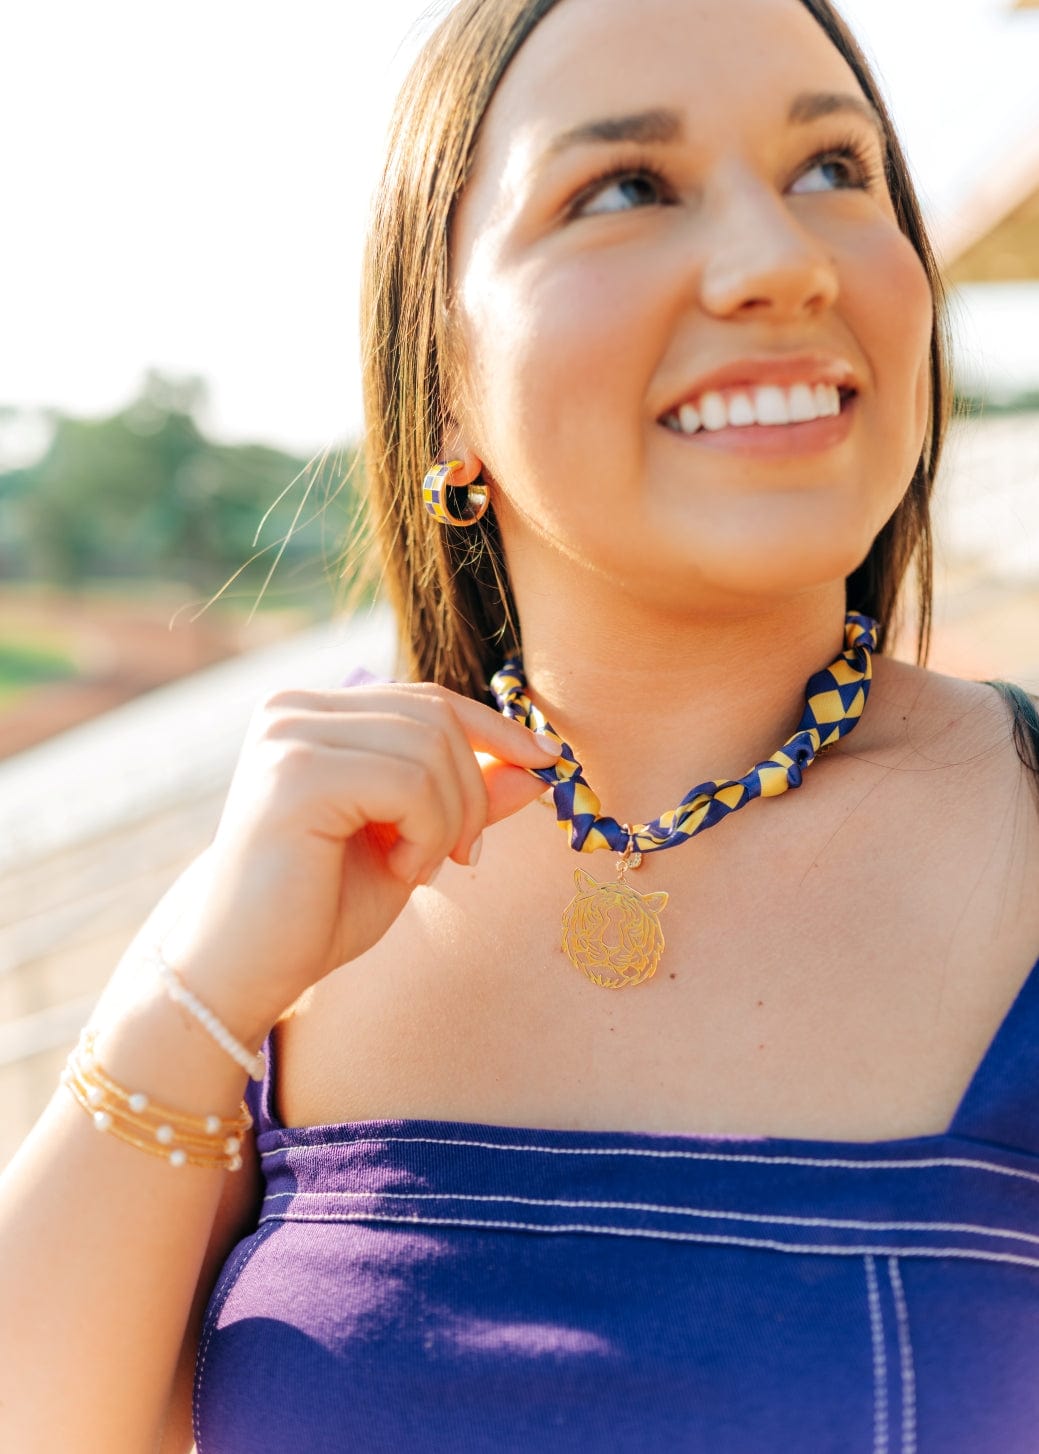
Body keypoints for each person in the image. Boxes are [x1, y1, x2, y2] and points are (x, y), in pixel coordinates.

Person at [2, 0, 1038, 1448]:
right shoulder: (295, 893)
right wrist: (191, 993)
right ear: (444, 384)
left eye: (832, 169)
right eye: (624, 188)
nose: (781, 261)